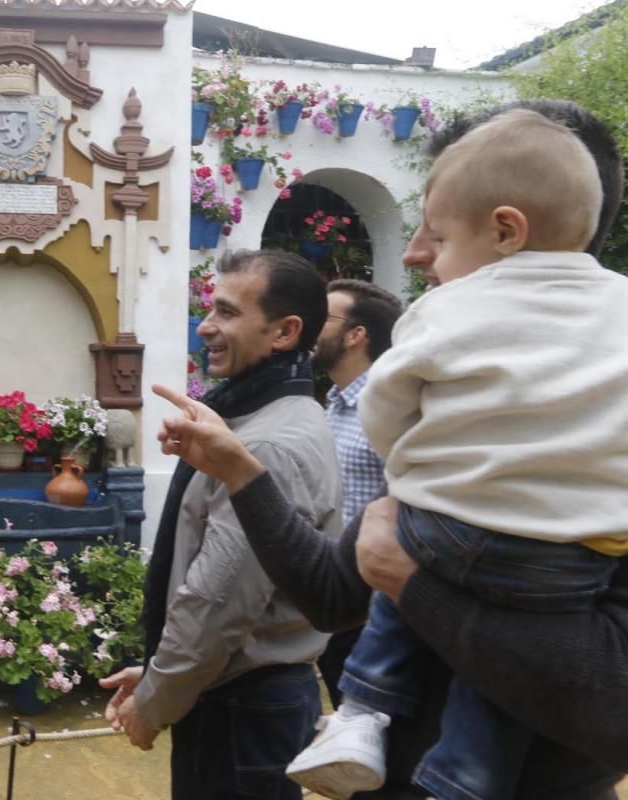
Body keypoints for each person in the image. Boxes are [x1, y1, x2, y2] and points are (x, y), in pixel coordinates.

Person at [151, 98, 628, 799]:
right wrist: (239, 470)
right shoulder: (462, 431)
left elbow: (611, 705)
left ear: (510, 233)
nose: (411, 252)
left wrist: (413, 583)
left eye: (440, 230)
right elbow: (335, 595)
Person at [101, 249, 343, 799]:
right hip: (240, 699)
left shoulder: (267, 444)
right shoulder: (254, 421)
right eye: (211, 308)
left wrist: (156, 701)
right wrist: (160, 672)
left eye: (228, 313)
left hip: (243, 713)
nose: (207, 326)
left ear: (284, 332)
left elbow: (219, 603)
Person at [311, 279, 402, 707]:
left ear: (355, 334)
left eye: (323, 318)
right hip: (335, 598)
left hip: (374, 611)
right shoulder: (334, 402)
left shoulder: (387, 409)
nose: (310, 326)